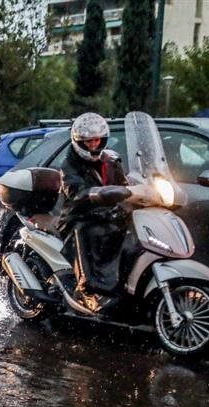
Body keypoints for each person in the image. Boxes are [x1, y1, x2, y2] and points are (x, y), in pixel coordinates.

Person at [56, 112, 131, 313]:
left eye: (97, 140)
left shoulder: (111, 160)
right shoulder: (69, 164)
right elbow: (75, 192)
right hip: (77, 216)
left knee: (130, 230)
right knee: (85, 232)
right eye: (88, 141)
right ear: (79, 141)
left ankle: (123, 283)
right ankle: (87, 290)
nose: (93, 145)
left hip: (106, 213)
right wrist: (98, 193)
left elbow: (124, 183)